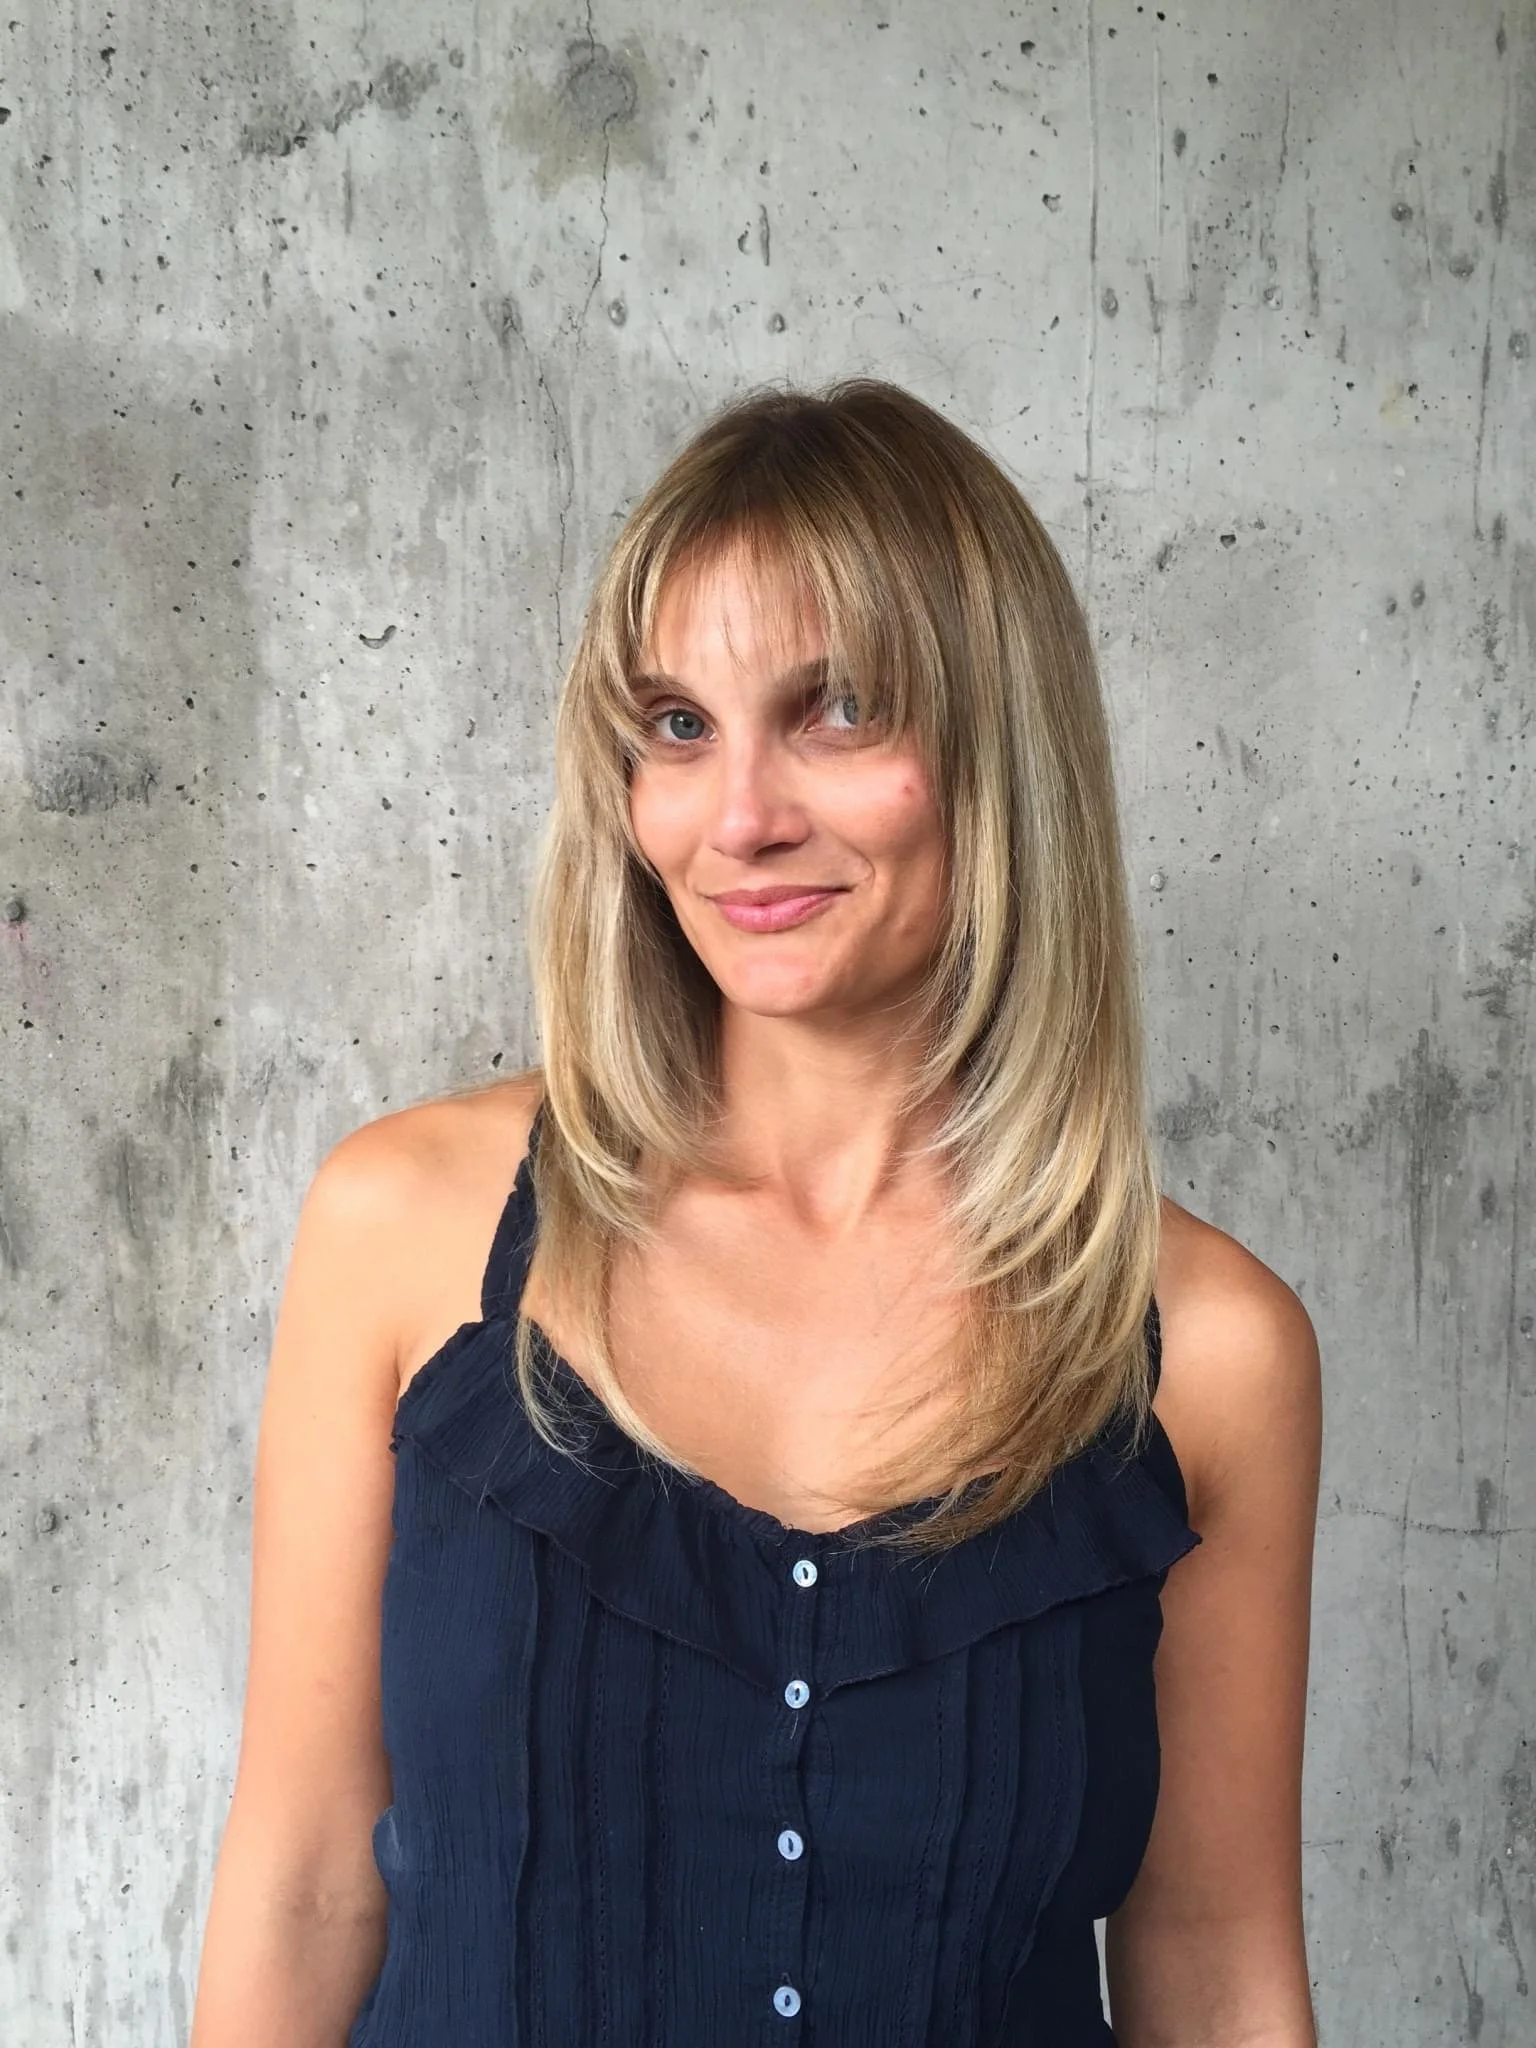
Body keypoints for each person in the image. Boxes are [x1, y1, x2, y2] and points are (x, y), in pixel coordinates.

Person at [190, 379, 1322, 2046]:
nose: (740, 819)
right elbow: (300, 1885)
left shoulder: (1211, 1351)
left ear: (995, 747)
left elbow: (1214, 1959)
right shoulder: (403, 1234)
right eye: (677, 725)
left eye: (839, 708)